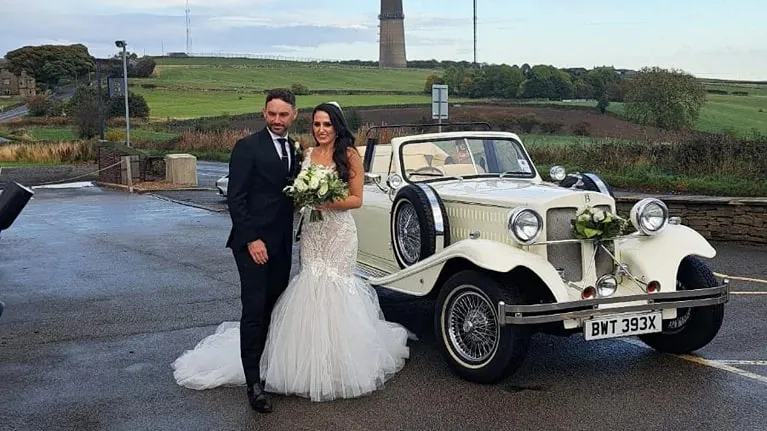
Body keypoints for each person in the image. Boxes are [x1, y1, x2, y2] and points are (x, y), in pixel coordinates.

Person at [172, 101, 411, 411]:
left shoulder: (349, 155)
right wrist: (302, 201)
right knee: (306, 291)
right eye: (317, 125)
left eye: (327, 124)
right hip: (310, 234)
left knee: (336, 292)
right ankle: (286, 369)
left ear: (337, 126)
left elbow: (356, 199)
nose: (322, 130)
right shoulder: (305, 154)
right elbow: (274, 194)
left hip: (339, 234)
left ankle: (338, 363)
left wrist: (326, 201)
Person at [172, 89, 301, 413]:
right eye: (271, 114)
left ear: (293, 115)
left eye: (283, 114)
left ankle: (268, 368)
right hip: (252, 245)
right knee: (254, 311)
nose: (276, 120)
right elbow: (236, 198)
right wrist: (252, 240)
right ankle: (253, 384)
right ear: (263, 113)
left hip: (283, 244)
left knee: (274, 308)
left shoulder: (295, 149)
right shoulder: (247, 147)